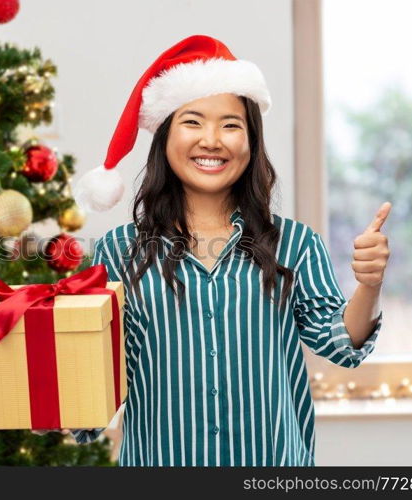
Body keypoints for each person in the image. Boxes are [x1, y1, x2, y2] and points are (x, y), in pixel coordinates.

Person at [41, 35, 391, 466]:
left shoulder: (296, 244)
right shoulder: (119, 251)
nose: (212, 140)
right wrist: (54, 403)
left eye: (230, 124)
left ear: (250, 141)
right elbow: (102, 380)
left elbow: (342, 344)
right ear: (166, 136)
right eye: (193, 122)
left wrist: (369, 285)